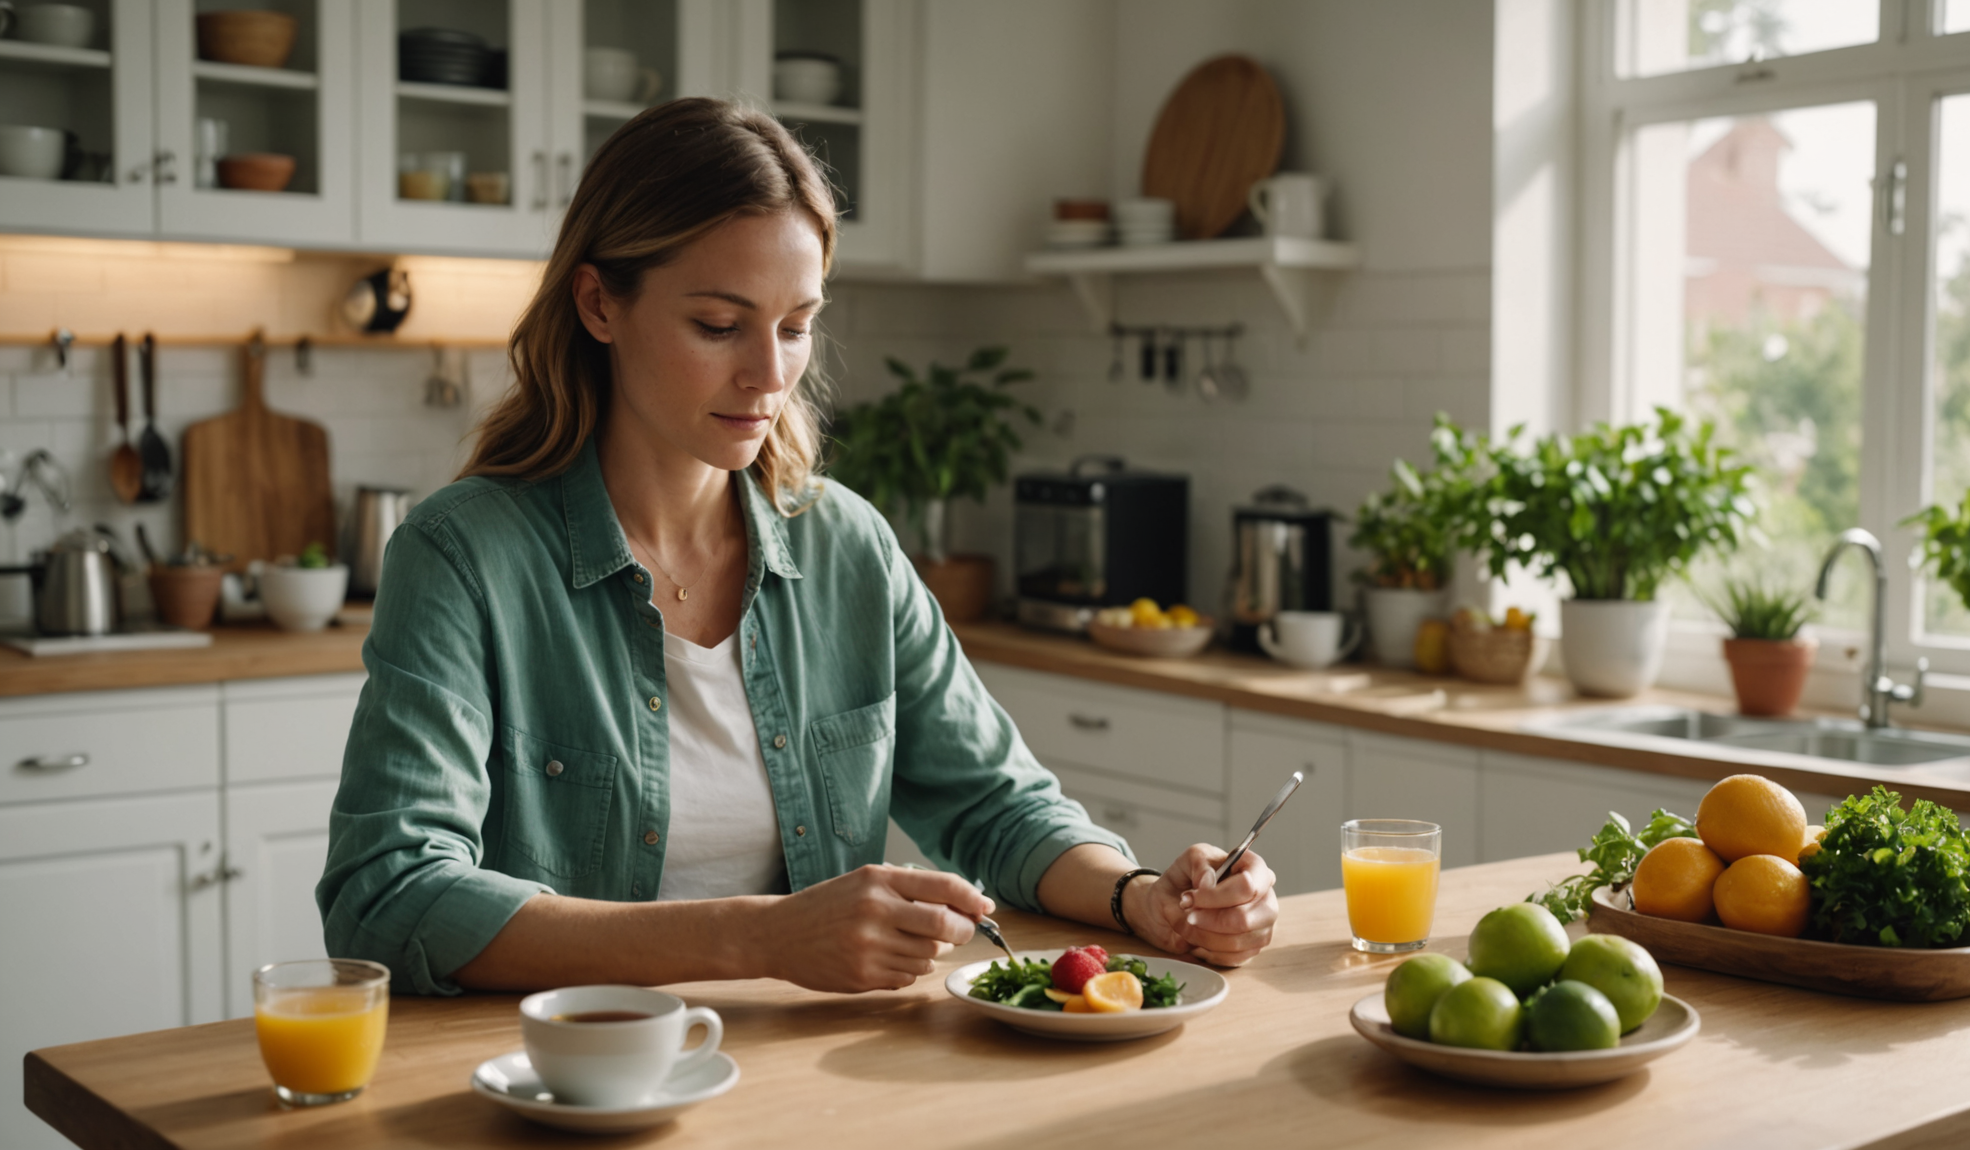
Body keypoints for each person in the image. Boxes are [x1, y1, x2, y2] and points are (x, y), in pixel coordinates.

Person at [317, 98, 1279, 997]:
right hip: (567, 1086)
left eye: (796, 327)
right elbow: (388, 897)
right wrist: (762, 937)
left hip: (802, 1080)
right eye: (719, 325)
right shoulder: (461, 556)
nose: (767, 374)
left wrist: (1141, 895)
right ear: (599, 305)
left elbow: (999, 806)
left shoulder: (847, 547)